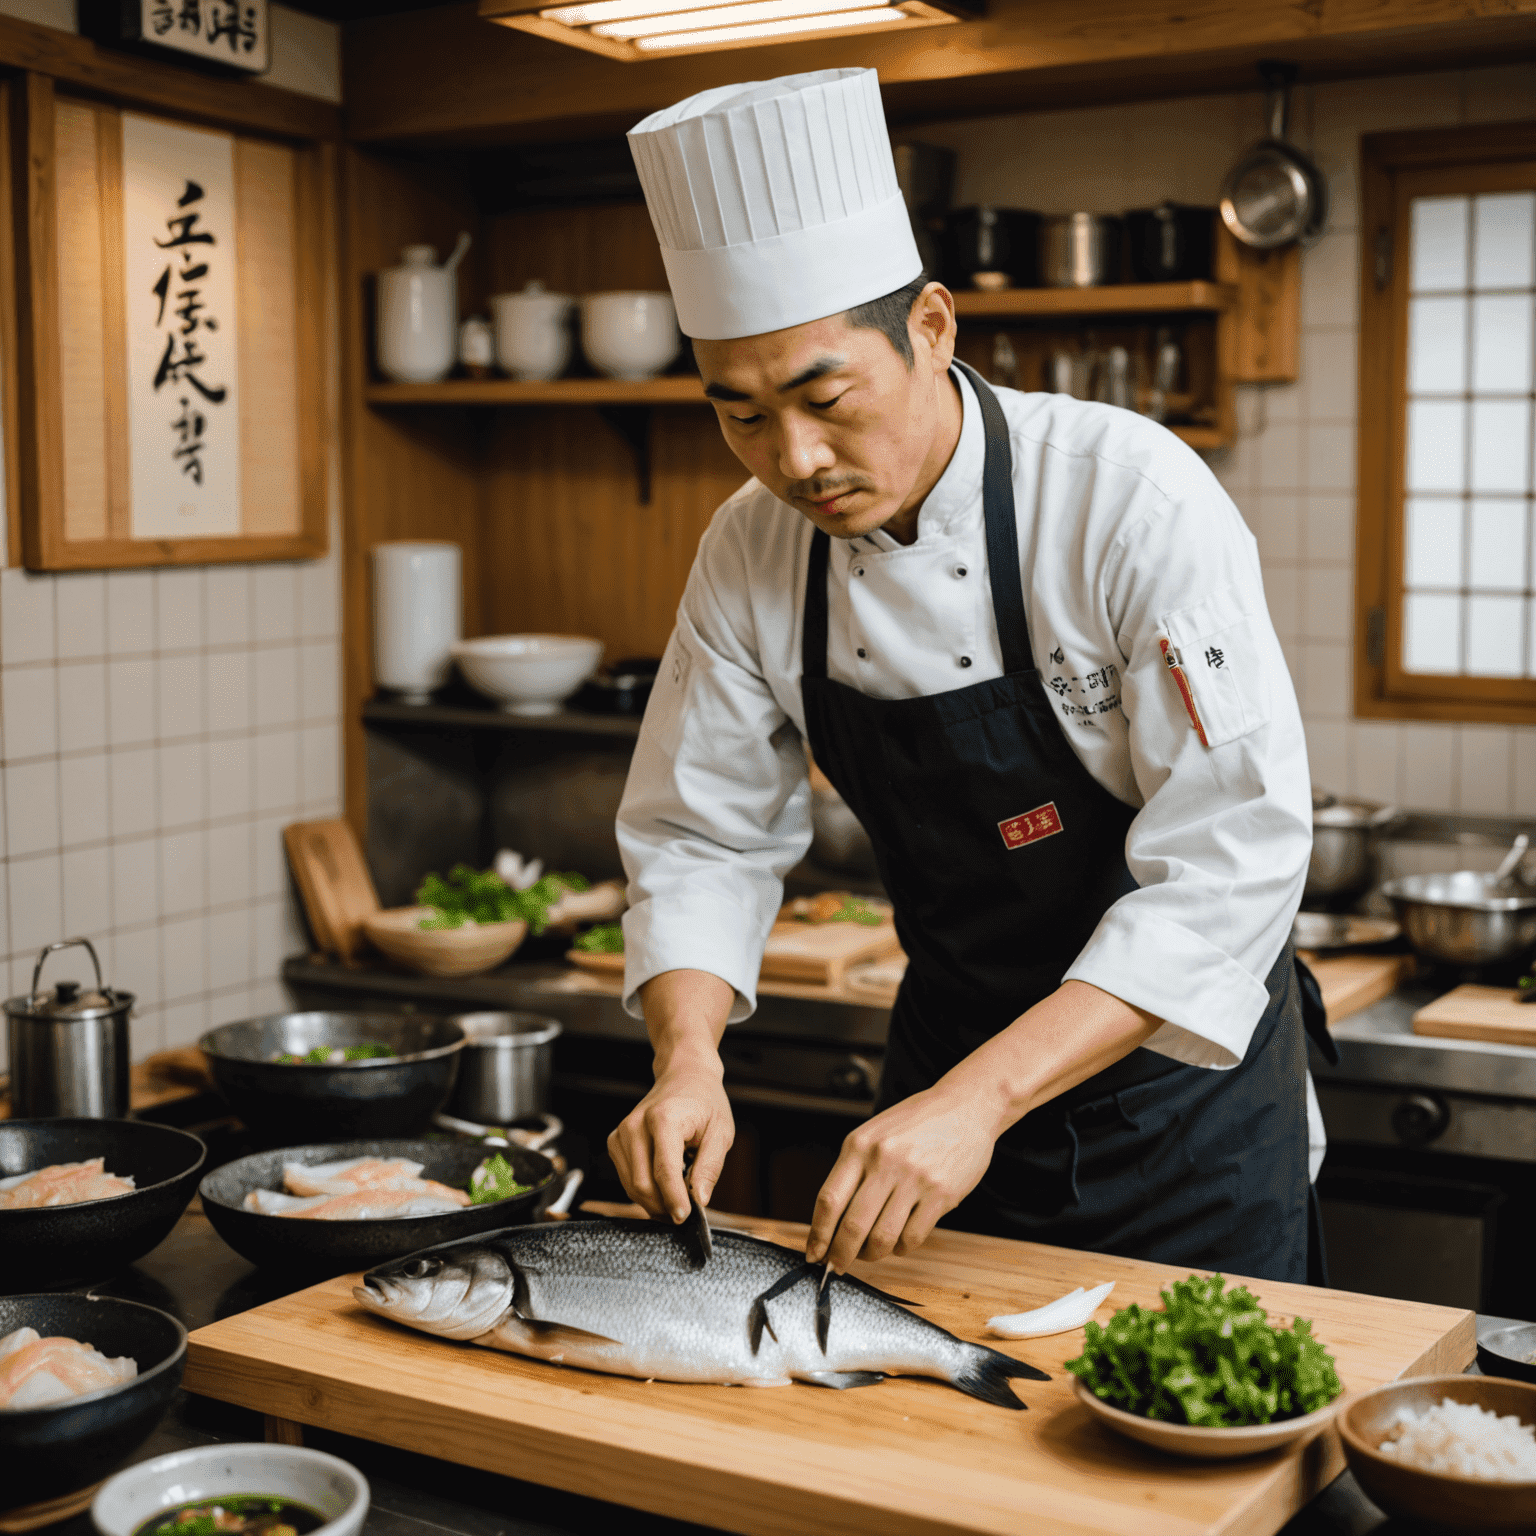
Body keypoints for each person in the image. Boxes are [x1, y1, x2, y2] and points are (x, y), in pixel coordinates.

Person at [607, 67, 1329, 1284]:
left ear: (932, 328)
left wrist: (981, 1101)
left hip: (1179, 1107)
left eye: (824, 395)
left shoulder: (1125, 497)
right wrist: (689, 1060)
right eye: (737, 414)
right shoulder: (750, 544)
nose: (795, 459)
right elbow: (700, 836)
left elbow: (1234, 858)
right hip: (938, 1093)